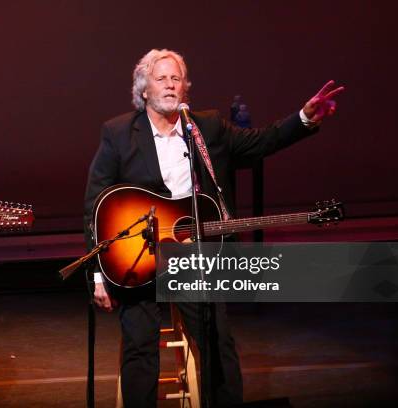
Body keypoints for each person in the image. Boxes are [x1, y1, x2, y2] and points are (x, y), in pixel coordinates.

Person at [84, 48, 343, 407]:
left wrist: (303, 118)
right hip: (138, 256)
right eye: (161, 79)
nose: (170, 85)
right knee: (140, 346)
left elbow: (260, 142)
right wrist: (98, 274)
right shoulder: (119, 133)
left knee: (217, 342)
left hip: (194, 257)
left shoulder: (205, 128)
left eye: (176, 79)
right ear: (143, 89)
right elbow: (95, 202)